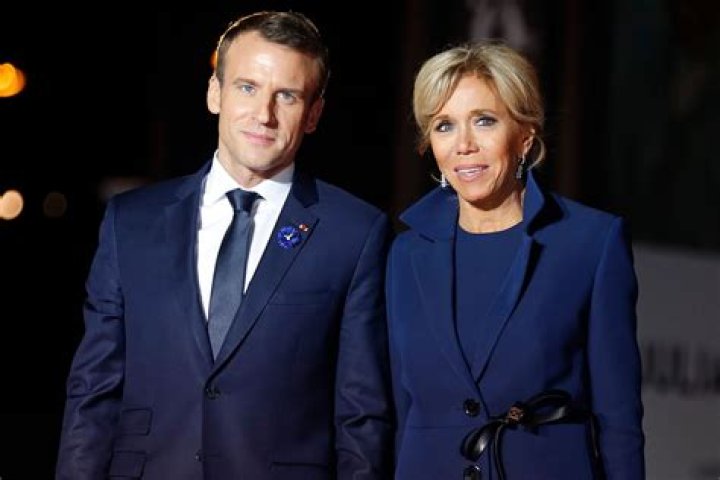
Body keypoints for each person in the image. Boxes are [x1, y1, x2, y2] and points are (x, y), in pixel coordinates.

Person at [56, 11, 393, 480]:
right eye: (247, 87)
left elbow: (361, 414)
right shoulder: (131, 222)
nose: (264, 114)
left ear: (314, 113)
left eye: (287, 96)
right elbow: (93, 391)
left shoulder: (354, 233)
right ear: (215, 93)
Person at [386, 41, 645, 479]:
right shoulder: (406, 254)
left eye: (484, 121)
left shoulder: (591, 243)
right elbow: (400, 409)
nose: (463, 145)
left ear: (525, 135)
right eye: (444, 126)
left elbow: (618, 419)